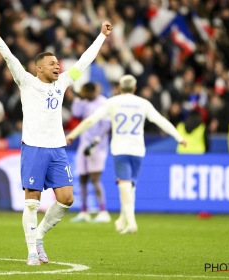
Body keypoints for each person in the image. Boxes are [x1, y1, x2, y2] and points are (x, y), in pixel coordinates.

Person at [0, 19, 113, 265]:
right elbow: (10, 59)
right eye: (52, 64)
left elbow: (84, 61)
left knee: (66, 199)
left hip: (57, 149)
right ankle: (32, 251)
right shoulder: (26, 82)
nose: (58, 66)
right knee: (32, 202)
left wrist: (101, 36)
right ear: (39, 69)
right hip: (33, 148)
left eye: (58, 63)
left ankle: (39, 236)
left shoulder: (62, 83)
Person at [66, 75, 187, 234]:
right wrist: (179, 137)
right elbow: (161, 121)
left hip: (121, 148)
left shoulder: (113, 102)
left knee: (124, 185)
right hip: (138, 150)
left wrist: (73, 134)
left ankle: (131, 222)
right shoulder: (143, 103)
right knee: (130, 188)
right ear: (135, 88)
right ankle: (123, 219)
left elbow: (91, 120)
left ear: (120, 88)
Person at [70, 82, 111, 223]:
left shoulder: (104, 103)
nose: (84, 95)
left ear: (92, 91)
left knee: (95, 178)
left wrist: (95, 143)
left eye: (85, 93)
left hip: (98, 146)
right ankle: (84, 211)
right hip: (84, 144)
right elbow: (75, 114)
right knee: (82, 177)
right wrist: (78, 99)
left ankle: (103, 211)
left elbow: (107, 125)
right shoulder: (84, 101)